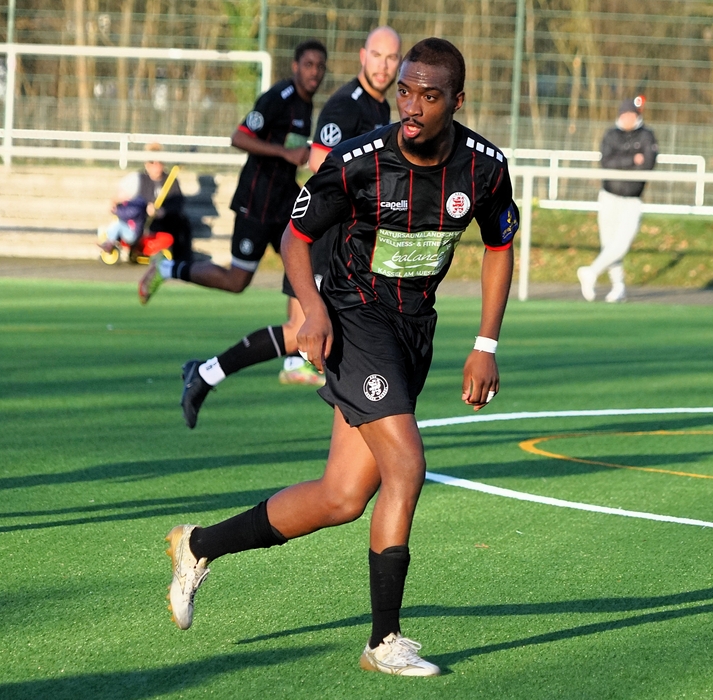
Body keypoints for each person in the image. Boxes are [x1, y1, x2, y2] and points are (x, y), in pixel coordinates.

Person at [164, 38, 518, 677]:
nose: (411, 106)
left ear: (457, 101)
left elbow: (499, 246)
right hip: (356, 319)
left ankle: (197, 545)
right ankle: (385, 641)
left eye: (428, 96)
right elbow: (295, 237)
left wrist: (485, 344)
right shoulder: (361, 161)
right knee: (407, 464)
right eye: (404, 91)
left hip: (414, 330)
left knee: (341, 496)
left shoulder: (485, 168)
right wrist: (313, 308)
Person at [178, 27, 402, 428]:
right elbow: (319, 160)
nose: (383, 66)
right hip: (323, 237)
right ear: (362, 56)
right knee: (304, 330)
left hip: (345, 239)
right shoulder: (346, 105)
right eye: (377, 55)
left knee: (311, 330)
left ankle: (207, 373)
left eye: (391, 58)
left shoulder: (379, 108)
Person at [138, 39, 327, 303]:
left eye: (320, 66)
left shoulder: (306, 104)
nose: (314, 71)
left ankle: (302, 326)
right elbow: (239, 137)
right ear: (295, 66)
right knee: (237, 280)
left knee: (308, 262)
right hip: (256, 202)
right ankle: (167, 268)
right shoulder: (278, 98)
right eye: (308, 64)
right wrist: (285, 153)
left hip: (284, 202)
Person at [577, 96, 658, 303]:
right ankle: (618, 287)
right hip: (609, 195)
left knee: (622, 243)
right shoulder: (611, 135)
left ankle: (591, 272)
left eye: (632, 114)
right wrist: (632, 159)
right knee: (609, 244)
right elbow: (607, 162)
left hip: (632, 198)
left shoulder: (647, 136)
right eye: (625, 114)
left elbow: (648, 164)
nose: (628, 118)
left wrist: (626, 162)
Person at [99, 143, 190, 263]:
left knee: (182, 224)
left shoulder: (171, 181)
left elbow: (177, 204)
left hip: (164, 222)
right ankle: (115, 245)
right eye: (152, 162)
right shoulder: (138, 179)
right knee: (118, 224)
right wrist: (115, 202)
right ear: (146, 164)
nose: (156, 165)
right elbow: (122, 196)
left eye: (159, 162)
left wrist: (160, 212)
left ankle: (181, 261)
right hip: (141, 221)